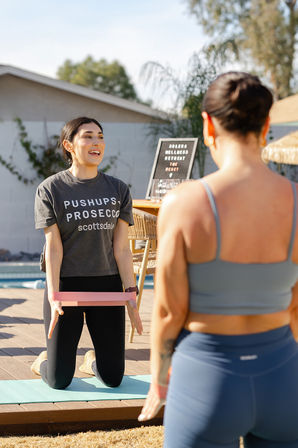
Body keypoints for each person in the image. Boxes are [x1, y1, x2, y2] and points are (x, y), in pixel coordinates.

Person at [138, 72, 298, 447]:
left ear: (208, 124)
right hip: (283, 378)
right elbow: (295, 309)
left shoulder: (184, 203)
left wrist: (159, 382)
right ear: (266, 125)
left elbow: (167, 312)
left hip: (207, 380)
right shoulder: (296, 202)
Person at [31, 116, 142, 389]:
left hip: (107, 284)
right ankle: (44, 361)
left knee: (113, 378)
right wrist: (53, 295)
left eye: (100, 137)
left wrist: (130, 294)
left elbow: (121, 247)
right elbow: (53, 247)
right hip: (66, 284)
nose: (97, 143)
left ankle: (90, 360)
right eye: (88, 136)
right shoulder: (51, 189)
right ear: (69, 145)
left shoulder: (118, 189)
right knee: (58, 380)